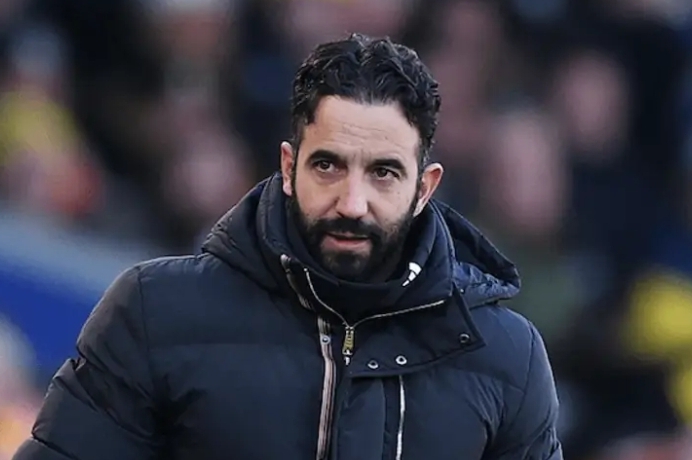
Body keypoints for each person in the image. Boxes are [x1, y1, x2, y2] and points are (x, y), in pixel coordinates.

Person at [13, 34, 562, 460]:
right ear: (288, 166)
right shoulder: (154, 311)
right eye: (328, 165)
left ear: (424, 188)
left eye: (383, 173)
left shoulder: (505, 358)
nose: (352, 202)